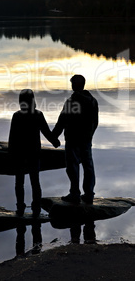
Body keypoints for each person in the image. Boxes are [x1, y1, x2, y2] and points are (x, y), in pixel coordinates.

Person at [8, 89, 60, 217]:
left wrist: (11, 153)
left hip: (20, 153)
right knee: (35, 181)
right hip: (34, 153)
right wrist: (55, 142)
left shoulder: (17, 116)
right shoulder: (38, 115)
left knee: (19, 182)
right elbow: (46, 132)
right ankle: (36, 207)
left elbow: (12, 137)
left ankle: (20, 207)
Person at [52, 75, 99, 204]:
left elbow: (62, 120)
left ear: (75, 85)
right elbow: (95, 122)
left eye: (72, 83)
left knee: (72, 167)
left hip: (73, 139)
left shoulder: (72, 101)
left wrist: (53, 137)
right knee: (88, 166)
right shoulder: (93, 101)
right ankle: (89, 194)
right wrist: (90, 135)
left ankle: (75, 194)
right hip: (86, 139)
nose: (71, 85)